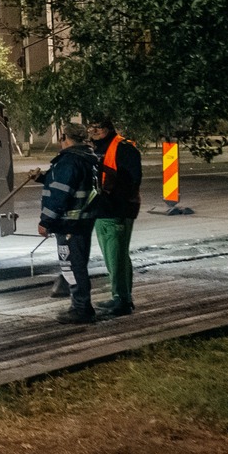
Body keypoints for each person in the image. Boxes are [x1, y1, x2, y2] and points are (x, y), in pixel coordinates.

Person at [37, 121, 101, 323]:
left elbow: (60, 193)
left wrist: (46, 221)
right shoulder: (85, 158)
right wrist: (42, 178)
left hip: (69, 224)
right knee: (78, 264)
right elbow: (71, 183)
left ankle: (81, 308)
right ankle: (80, 306)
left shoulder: (69, 161)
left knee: (72, 266)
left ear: (65, 137)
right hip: (82, 222)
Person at [87, 117, 142, 316]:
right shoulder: (95, 148)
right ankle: (122, 297)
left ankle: (121, 300)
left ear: (109, 129)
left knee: (116, 255)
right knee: (115, 255)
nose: (94, 131)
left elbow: (133, 179)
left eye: (98, 127)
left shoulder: (123, 147)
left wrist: (115, 199)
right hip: (104, 208)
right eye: (91, 127)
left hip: (117, 209)